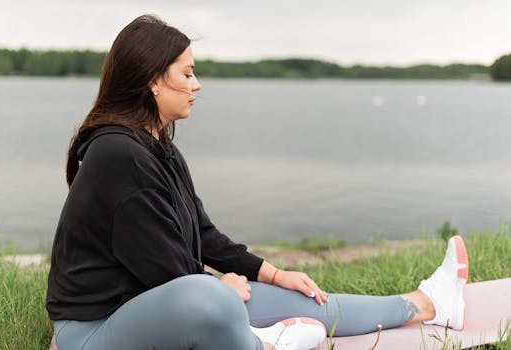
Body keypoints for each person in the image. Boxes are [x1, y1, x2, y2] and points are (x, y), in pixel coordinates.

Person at [45, 14, 469, 350]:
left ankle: (427, 305)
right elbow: (169, 275)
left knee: (305, 300)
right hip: (92, 331)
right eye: (187, 73)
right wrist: (222, 289)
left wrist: (272, 273)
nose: (197, 85)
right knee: (211, 299)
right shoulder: (118, 156)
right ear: (153, 81)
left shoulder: (158, 148)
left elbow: (204, 237)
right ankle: (263, 344)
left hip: (155, 301)